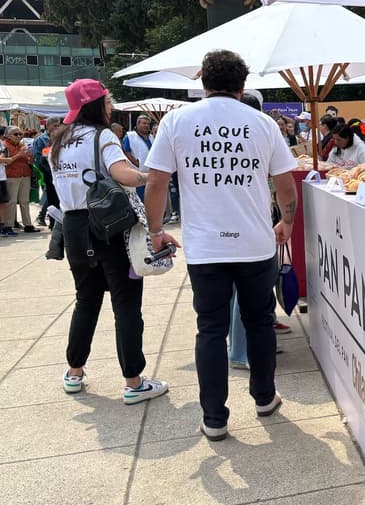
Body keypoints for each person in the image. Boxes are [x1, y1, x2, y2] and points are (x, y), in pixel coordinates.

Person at [143, 49, 297, 441]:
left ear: (203, 82)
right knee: (259, 321)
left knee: (209, 329)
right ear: (242, 86)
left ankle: (214, 419)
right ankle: (264, 397)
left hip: (206, 246)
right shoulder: (262, 123)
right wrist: (287, 221)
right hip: (255, 244)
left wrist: (156, 230)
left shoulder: (177, 121)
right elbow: (285, 184)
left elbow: (156, 182)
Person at [49, 79, 168, 402]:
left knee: (86, 299)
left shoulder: (60, 141)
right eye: (107, 101)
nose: (111, 106)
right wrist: (152, 176)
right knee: (126, 302)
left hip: (73, 226)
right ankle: (133, 381)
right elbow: (123, 174)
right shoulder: (103, 136)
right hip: (108, 225)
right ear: (97, 105)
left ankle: (74, 371)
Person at [1, 125, 37, 232]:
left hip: (25, 175)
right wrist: (19, 154)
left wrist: (30, 156)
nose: (19, 136)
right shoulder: (4, 146)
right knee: (11, 202)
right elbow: (5, 161)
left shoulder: (22, 145)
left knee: (25, 201)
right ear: (8, 136)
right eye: (15, 134)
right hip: (12, 176)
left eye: (20, 134)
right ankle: (9, 225)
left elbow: (29, 160)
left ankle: (28, 224)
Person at [32, 116, 61, 227]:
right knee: (51, 198)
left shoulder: (60, 138)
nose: (57, 128)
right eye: (55, 126)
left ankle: (58, 222)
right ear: (48, 126)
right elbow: (38, 159)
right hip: (48, 174)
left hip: (60, 173)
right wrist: (48, 172)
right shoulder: (41, 140)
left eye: (59, 126)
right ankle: (52, 223)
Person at [122, 115, 153, 199]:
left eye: (148, 124)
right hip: (137, 173)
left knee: (150, 198)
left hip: (150, 173)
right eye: (144, 123)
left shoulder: (151, 137)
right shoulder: (130, 136)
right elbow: (125, 151)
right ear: (138, 124)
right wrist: (136, 162)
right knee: (140, 199)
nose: (146, 126)